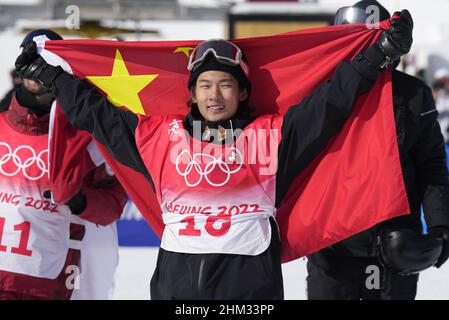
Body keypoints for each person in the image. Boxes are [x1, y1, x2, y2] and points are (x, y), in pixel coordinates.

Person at [15, 11, 413, 299]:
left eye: (225, 84)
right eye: (205, 85)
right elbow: (95, 113)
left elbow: (330, 104)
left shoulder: (270, 136)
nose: (214, 94)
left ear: (242, 93)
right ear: (192, 93)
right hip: (176, 291)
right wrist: (51, 76)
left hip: (250, 293)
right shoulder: (160, 139)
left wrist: (377, 54)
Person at [305, 0, 449, 300]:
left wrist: (440, 225)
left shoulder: (412, 94)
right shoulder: (319, 90)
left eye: (373, 41)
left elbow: (431, 166)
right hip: (332, 248)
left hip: (396, 245)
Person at [0, 29, 127, 300]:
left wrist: (79, 201)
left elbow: (112, 204)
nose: (39, 69)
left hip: (46, 281)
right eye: (34, 59)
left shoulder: (86, 139)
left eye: (50, 62)